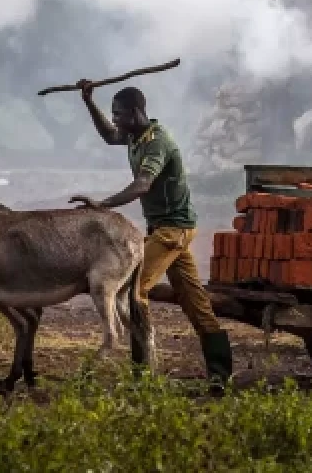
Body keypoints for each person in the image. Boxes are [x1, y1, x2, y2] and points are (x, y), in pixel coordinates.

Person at [70, 83, 234, 389]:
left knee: (134, 291)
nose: (116, 120)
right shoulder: (134, 137)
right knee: (195, 303)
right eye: (114, 115)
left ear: (136, 112)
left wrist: (102, 204)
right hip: (164, 229)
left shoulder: (158, 142)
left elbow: (143, 184)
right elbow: (108, 136)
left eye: (119, 114)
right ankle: (220, 374)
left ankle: (143, 374)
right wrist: (89, 101)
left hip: (174, 230)